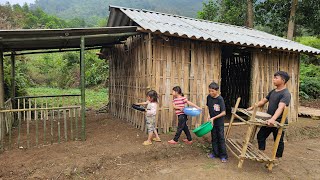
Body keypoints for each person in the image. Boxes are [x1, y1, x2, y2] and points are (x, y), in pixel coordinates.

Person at [247, 71, 291, 164]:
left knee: (278, 140)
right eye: (274, 77)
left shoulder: (286, 94)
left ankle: (277, 159)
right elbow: (263, 101)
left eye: (276, 78)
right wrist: (252, 107)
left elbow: (281, 107)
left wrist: (273, 119)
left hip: (278, 121)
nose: (273, 79)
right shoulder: (273, 91)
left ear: (283, 80)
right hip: (269, 120)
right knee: (261, 135)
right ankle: (261, 152)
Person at [206, 82, 228, 163]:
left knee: (221, 138)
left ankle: (223, 156)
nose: (211, 93)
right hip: (212, 122)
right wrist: (209, 115)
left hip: (219, 122)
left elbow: (223, 112)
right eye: (209, 91)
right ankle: (215, 153)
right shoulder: (209, 97)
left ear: (217, 91)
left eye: (212, 91)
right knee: (214, 137)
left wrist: (214, 118)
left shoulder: (220, 99)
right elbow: (208, 107)